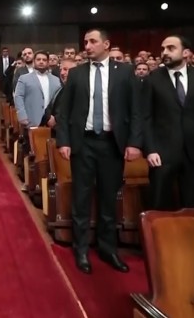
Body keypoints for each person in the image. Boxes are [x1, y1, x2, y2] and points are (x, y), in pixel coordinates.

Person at [55, 29, 142, 274]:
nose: (88, 46)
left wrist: (134, 142)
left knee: (108, 198)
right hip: (83, 143)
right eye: (85, 42)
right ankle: (81, 249)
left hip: (112, 143)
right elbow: (64, 112)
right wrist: (63, 141)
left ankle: (108, 248)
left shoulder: (124, 72)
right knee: (81, 198)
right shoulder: (77, 73)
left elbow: (136, 110)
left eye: (93, 41)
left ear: (106, 44)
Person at [142, 35, 194, 210]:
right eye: (163, 49)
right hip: (162, 154)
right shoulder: (152, 79)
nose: (164, 52)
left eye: (171, 48)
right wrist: (150, 150)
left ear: (186, 53)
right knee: (159, 207)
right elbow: (145, 117)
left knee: (193, 207)